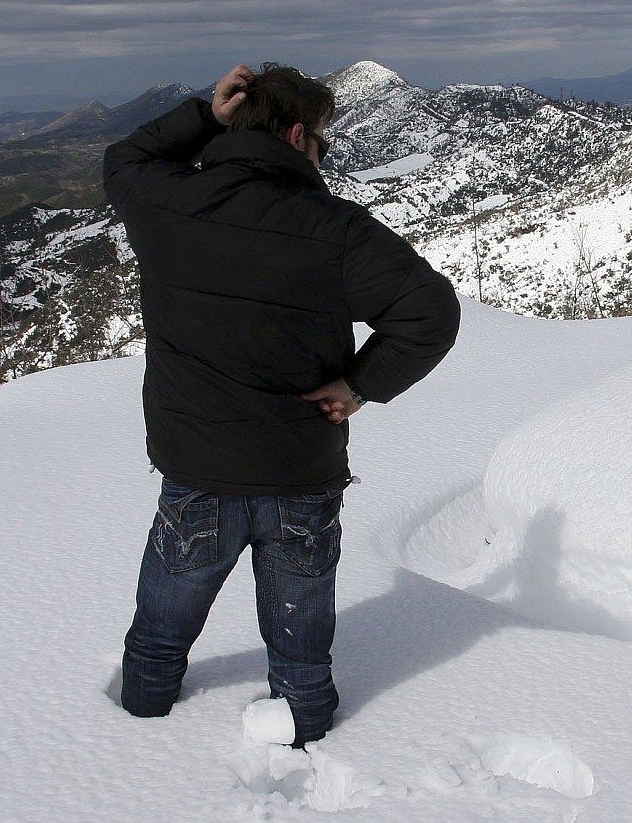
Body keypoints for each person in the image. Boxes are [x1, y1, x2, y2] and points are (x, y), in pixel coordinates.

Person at [103, 62, 461, 747]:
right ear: (298, 135)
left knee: (158, 637)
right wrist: (359, 385)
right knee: (301, 655)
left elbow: (124, 158)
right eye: (322, 142)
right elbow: (431, 312)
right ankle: (308, 753)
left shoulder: (167, 202)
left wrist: (204, 114)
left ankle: (129, 749)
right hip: (300, 468)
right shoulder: (335, 230)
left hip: (198, 470)